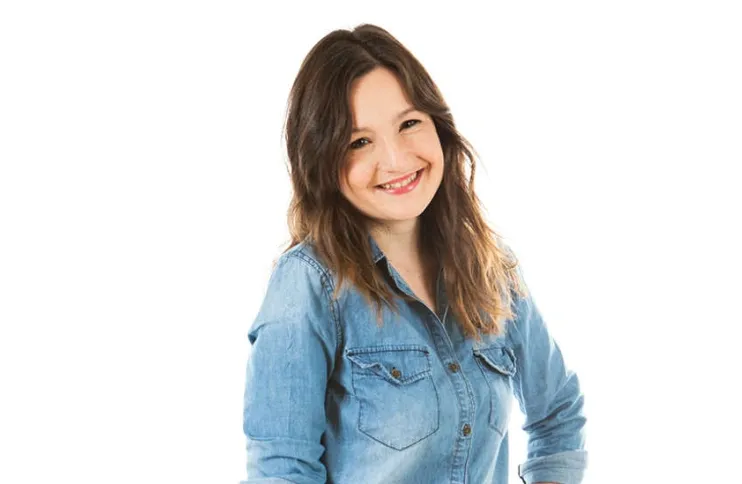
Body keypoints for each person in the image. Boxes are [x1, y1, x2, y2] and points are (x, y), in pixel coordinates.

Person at [241, 23, 587, 484]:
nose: (396, 159)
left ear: (438, 126)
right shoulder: (308, 285)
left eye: (408, 124)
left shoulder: (491, 269)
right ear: (323, 161)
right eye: (359, 142)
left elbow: (558, 414)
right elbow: (282, 472)